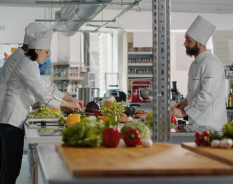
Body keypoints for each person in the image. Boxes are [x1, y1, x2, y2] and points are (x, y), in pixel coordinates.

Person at [0, 24, 83, 184]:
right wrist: (69, 105)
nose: (49, 55)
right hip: (12, 121)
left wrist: (69, 99)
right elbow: (43, 94)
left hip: (11, 119)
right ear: (37, 50)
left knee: (8, 169)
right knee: (11, 171)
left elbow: (46, 88)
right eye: (47, 51)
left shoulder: (28, 63)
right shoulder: (27, 65)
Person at [171, 15, 227, 131]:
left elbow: (207, 95)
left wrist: (183, 112)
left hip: (210, 127)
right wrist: (186, 102)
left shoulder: (212, 64)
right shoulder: (196, 63)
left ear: (200, 43)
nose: (185, 44)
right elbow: (196, 91)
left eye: (188, 40)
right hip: (197, 125)